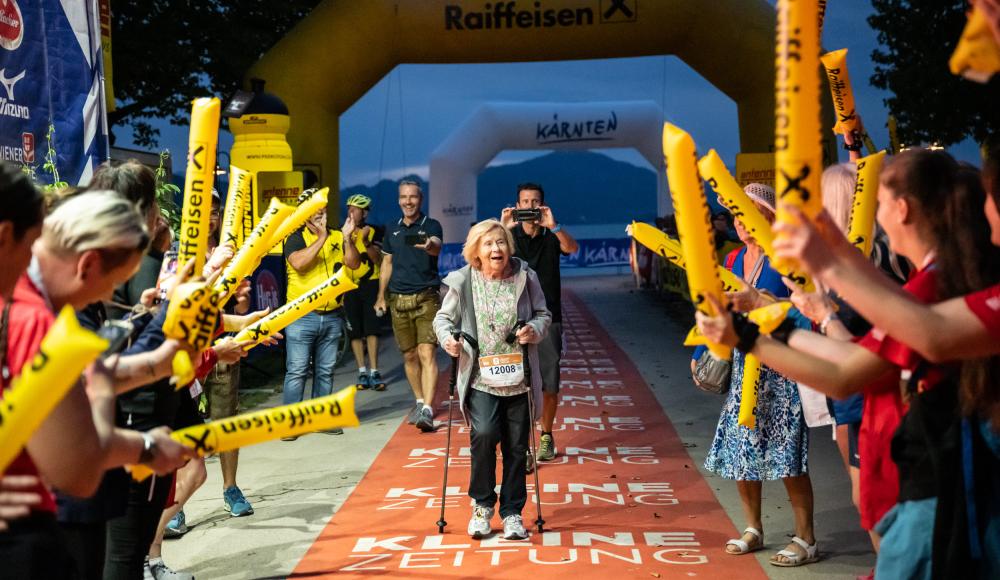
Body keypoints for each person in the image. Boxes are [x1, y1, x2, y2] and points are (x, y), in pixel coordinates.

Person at [699, 149, 1000, 577]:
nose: (871, 214)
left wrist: (750, 332)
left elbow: (849, 371)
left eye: (876, 203)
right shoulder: (924, 281)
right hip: (929, 481)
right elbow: (855, 352)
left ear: (902, 208)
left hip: (946, 489)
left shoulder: (937, 285)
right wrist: (780, 318)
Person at [0, 191, 193, 578]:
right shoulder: (36, 323)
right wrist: (148, 446)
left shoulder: (20, 300)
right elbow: (80, 469)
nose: (109, 298)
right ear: (87, 263)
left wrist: (157, 359)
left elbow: (78, 379)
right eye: (113, 284)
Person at [692, 184, 818, 567]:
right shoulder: (732, 260)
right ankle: (753, 528)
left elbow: (804, 307)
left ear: (767, 215)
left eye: (747, 212)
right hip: (744, 362)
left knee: (787, 454)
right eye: (735, 214)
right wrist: (701, 351)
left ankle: (806, 538)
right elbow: (717, 308)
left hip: (781, 364)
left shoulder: (787, 259)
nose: (739, 221)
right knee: (741, 450)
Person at [434, 219, 550, 540]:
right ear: (476, 252)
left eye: (500, 242)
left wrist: (534, 330)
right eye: (488, 244)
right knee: (483, 435)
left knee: (516, 447)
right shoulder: (464, 281)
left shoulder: (525, 277)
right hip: (480, 379)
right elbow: (443, 319)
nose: (496, 249)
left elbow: (543, 314)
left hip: (519, 379)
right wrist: (448, 339)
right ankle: (482, 506)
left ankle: (513, 512)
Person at [501, 182, 577, 464]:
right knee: (517, 382)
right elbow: (490, 259)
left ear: (542, 205)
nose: (529, 206)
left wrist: (554, 226)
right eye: (524, 202)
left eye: (535, 202)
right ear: (517, 205)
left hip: (549, 318)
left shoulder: (550, 235)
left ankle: (546, 435)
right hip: (513, 318)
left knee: (549, 381)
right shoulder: (508, 237)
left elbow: (572, 248)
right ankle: (523, 439)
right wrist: (503, 227)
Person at [281, 190, 361, 435]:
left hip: (333, 314)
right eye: (313, 210)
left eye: (322, 210)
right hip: (301, 315)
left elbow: (354, 263)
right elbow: (300, 264)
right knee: (297, 370)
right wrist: (322, 237)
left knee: (325, 370)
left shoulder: (338, 235)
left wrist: (347, 239)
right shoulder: (294, 237)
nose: (319, 214)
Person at [374, 179, 444, 432]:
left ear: (420, 200)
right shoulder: (391, 228)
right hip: (398, 300)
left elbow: (435, 246)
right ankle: (418, 400)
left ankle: (427, 408)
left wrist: (429, 245)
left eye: (413, 197)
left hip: (426, 297)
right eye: (403, 197)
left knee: (427, 353)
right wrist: (381, 296)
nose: (408, 201)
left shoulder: (431, 225)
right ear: (398, 200)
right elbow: (387, 264)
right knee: (409, 355)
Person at [341, 193, 386, 391]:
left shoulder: (374, 231)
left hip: (371, 283)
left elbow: (379, 261)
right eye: (349, 208)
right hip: (350, 285)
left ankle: (374, 370)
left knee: (372, 329)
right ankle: (361, 370)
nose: (351, 212)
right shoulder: (341, 231)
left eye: (356, 209)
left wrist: (366, 242)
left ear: (365, 212)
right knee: (355, 331)